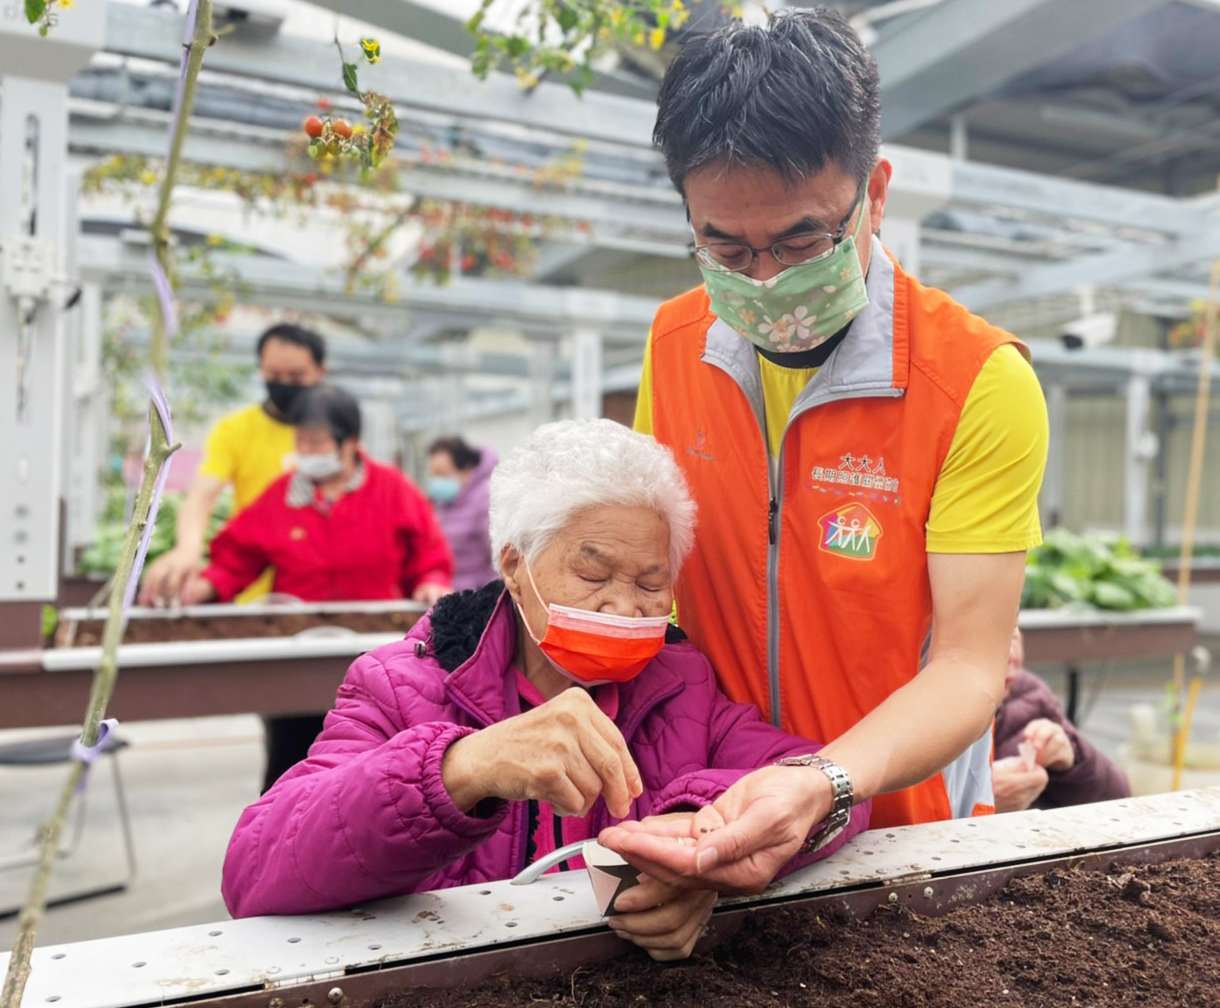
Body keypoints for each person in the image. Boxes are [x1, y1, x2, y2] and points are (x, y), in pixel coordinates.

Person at [601, 8, 1048, 893]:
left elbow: (967, 668)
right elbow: (660, 582)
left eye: (803, 240)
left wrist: (822, 780)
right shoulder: (674, 342)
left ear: (874, 193)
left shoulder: (976, 381)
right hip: (712, 809)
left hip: (901, 840)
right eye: (725, 246)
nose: (764, 280)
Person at [221, 420, 868, 961]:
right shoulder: (401, 685)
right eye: (592, 569)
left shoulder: (684, 688)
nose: (620, 603)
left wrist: (699, 854)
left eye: (650, 583)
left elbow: (821, 785)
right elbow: (255, 873)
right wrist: (457, 770)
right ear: (514, 564)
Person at [183, 384, 454, 790]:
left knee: (377, 768)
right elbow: (237, 557)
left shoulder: (392, 490)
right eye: (301, 442)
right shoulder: (281, 496)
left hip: (377, 656)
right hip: (297, 655)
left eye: (317, 442)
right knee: (290, 763)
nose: (306, 452)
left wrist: (432, 581)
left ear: (350, 443)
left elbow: (429, 553)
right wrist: (207, 585)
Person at [139, 323, 328, 605]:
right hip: (251, 587)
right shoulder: (236, 430)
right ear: (261, 369)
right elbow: (202, 496)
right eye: (274, 375)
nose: (284, 383)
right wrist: (188, 549)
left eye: (297, 376)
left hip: (318, 589)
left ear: (320, 373)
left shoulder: (333, 435)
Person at [992, 627, 1130, 812]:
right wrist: (980, 802)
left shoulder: (1029, 697)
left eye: (1013, 635)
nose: (1011, 656)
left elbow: (1119, 800)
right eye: (989, 639)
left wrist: (1071, 758)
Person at [427, 435, 498, 591]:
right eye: (434, 474)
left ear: (467, 469)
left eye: (443, 474)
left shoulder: (486, 498)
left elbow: (497, 557)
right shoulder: (444, 503)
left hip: (477, 595)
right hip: (452, 594)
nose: (437, 481)